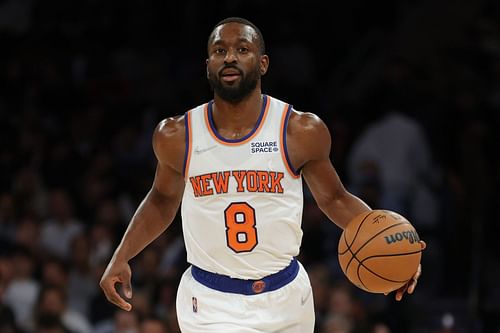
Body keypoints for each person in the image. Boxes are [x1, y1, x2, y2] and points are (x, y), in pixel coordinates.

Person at [99, 17, 426, 333]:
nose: (230, 57)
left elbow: (335, 198)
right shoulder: (177, 135)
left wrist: (390, 246)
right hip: (212, 303)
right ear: (208, 64)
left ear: (263, 63)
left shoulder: (299, 131)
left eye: (242, 49)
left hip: (287, 299)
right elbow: (162, 200)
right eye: (219, 51)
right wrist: (121, 256)